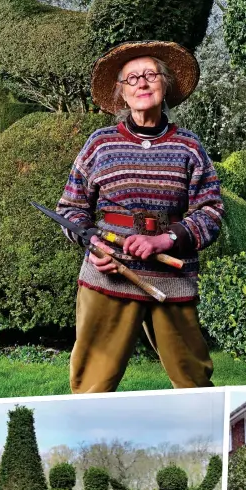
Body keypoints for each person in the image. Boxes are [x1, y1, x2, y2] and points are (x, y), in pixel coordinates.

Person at [56, 41, 224, 393]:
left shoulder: (189, 147)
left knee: (194, 383)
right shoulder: (100, 144)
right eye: (131, 79)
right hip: (108, 276)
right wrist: (94, 243)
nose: (142, 84)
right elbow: (70, 209)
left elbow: (211, 212)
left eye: (150, 75)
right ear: (122, 92)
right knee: (91, 386)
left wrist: (167, 239)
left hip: (172, 279)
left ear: (166, 85)